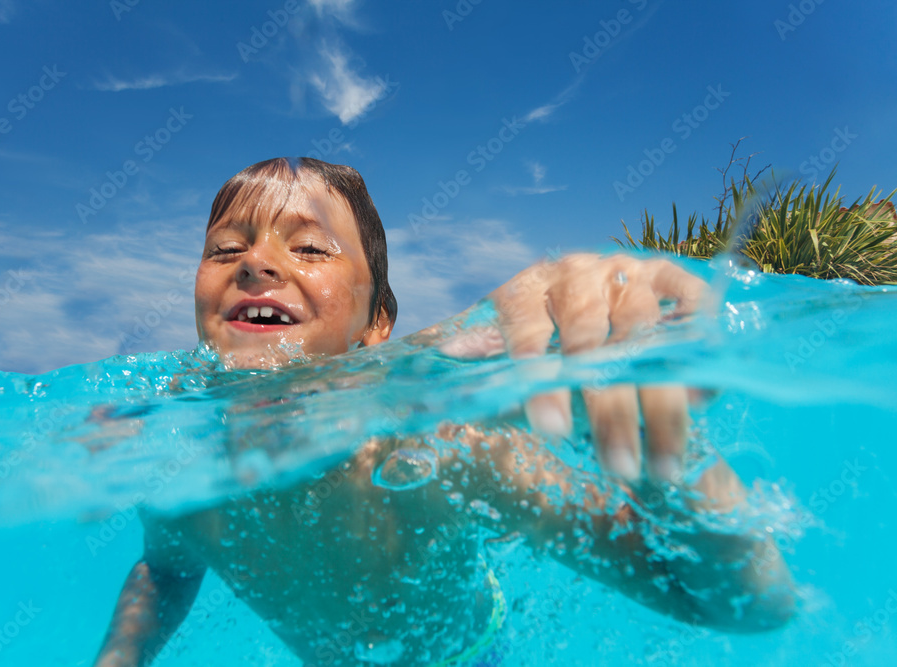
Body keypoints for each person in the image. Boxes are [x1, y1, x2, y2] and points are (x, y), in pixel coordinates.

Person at [93, 158, 795, 667]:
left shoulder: (447, 448)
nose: (255, 264)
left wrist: (659, 454)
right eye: (225, 249)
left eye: (308, 246)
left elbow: (748, 603)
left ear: (377, 325)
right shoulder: (178, 461)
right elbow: (168, 567)